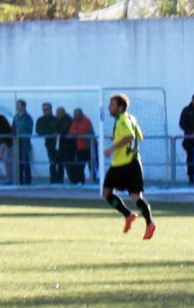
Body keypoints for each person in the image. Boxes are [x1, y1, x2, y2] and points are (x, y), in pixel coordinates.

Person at [101, 95, 155, 240]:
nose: (109, 107)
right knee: (136, 197)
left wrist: (112, 148)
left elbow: (130, 137)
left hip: (121, 164)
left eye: (112, 105)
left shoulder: (122, 120)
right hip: (134, 162)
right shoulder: (131, 118)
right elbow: (137, 136)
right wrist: (117, 139)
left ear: (120, 108)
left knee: (106, 193)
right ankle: (149, 223)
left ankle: (128, 214)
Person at [34, 102, 62, 184]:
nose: (45, 111)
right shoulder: (40, 120)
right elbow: (38, 130)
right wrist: (50, 133)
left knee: (60, 162)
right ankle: (53, 180)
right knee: (52, 162)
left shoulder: (56, 119)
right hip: (49, 144)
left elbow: (60, 129)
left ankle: (60, 180)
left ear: (50, 109)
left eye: (46, 109)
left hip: (59, 144)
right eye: (44, 110)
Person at [66, 108, 93, 185]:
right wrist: (75, 132)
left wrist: (76, 132)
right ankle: (81, 182)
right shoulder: (75, 121)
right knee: (80, 166)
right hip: (80, 148)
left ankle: (94, 181)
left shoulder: (86, 120)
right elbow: (71, 131)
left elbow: (84, 131)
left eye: (76, 114)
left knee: (92, 165)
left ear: (81, 114)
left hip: (89, 148)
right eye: (74, 114)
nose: (75, 116)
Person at [12, 99, 33, 185]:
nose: (17, 106)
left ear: (23, 106)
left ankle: (27, 180)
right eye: (17, 104)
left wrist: (22, 135)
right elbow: (13, 127)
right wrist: (14, 135)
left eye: (18, 105)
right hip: (17, 143)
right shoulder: (16, 117)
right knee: (18, 162)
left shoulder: (28, 118)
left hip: (25, 143)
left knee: (25, 162)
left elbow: (29, 130)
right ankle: (19, 179)